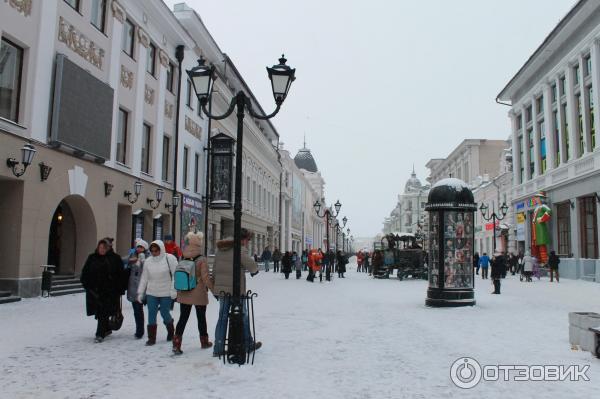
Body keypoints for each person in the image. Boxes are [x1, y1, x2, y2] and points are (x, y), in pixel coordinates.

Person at [212, 228, 261, 357]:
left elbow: (215, 268)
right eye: (248, 240)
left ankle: (218, 347)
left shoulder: (220, 249)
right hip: (236, 290)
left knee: (222, 318)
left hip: (222, 290)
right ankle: (248, 343)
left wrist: (215, 288)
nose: (247, 243)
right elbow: (252, 266)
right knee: (243, 316)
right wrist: (254, 271)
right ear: (243, 239)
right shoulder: (239, 249)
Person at [172, 232, 214, 355]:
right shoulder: (201, 259)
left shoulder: (183, 257)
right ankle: (204, 341)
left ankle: (176, 343)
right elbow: (206, 279)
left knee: (182, 318)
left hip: (184, 292)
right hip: (198, 293)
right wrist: (214, 290)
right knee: (201, 318)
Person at [80, 239, 124, 343]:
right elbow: (85, 272)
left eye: (104, 248)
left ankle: (99, 334)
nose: (102, 250)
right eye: (100, 248)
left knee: (102, 312)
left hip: (109, 291)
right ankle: (107, 328)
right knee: (100, 312)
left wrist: (119, 289)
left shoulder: (114, 258)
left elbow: (120, 274)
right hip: (94, 290)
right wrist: (86, 284)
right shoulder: (92, 258)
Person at [137, 240, 177, 346]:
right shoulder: (148, 261)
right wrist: (140, 292)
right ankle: (151, 338)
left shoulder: (170, 259)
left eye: (156, 250)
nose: (154, 253)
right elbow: (144, 278)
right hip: (152, 292)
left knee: (164, 312)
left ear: (161, 249)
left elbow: (175, 276)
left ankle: (170, 330)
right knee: (151, 313)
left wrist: (174, 290)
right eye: (152, 251)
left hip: (166, 292)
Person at [126, 239, 149, 339]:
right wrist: (130, 261)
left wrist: (142, 261)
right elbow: (127, 264)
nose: (139, 249)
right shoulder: (132, 256)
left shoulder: (147, 257)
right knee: (136, 310)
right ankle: (139, 330)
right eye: (138, 247)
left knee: (139, 310)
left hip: (141, 287)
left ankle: (140, 331)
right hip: (132, 287)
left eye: (141, 247)